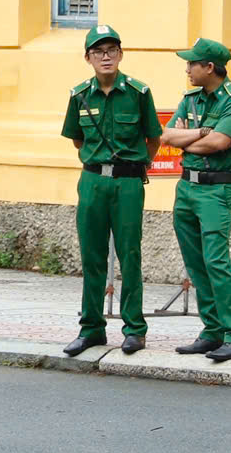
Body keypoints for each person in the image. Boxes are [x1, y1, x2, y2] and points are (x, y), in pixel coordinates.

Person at [60, 23, 159, 357]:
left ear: (121, 54)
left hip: (128, 181)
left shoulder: (138, 92)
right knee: (92, 255)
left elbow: (153, 138)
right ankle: (91, 328)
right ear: (88, 57)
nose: (106, 57)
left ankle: (134, 329)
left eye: (112, 50)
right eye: (99, 52)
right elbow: (77, 138)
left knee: (130, 254)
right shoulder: (78, 95)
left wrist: (137, 166)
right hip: (92, 181)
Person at [160, 37, 231, 362]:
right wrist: (199, 134)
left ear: (210, 67)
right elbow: (166, 136)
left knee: (216, 260)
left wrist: (193, 138)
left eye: (192, 63)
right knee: (196, 263)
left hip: (217, 189)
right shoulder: (191, 99)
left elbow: (218, 143)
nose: (187, 69)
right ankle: (212, 331)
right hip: (186, 188)